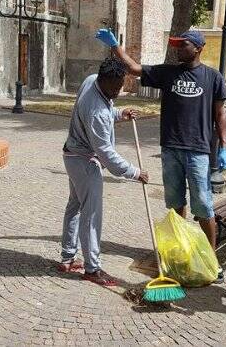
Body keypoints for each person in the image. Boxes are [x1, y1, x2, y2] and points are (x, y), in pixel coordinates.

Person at [103, 28, 226, 282]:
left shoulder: (213, 78)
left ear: (198, 48)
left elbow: (220, 114)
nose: (178, 49)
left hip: (198, 151)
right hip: (170, 149)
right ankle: (180, 250)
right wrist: (116, 46)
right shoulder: (168, 72)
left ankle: (213, 261)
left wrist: (224, 146)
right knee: (175, 204)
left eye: (183, 45)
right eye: (177, 45)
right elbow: (135, 69)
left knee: (203, 207)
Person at [59, 57, 149, 286]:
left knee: (75, 205)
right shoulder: (97, 111)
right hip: (84, 161)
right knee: (91, 215)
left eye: (122, 85)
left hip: (72, 154)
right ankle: (92, 269)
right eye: (116, 86)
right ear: (104, 79)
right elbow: (107, 155)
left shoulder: (92, 82)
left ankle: (68, 258)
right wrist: (134, 172)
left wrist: (120, 114)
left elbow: (105, 112)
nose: (119, 91)